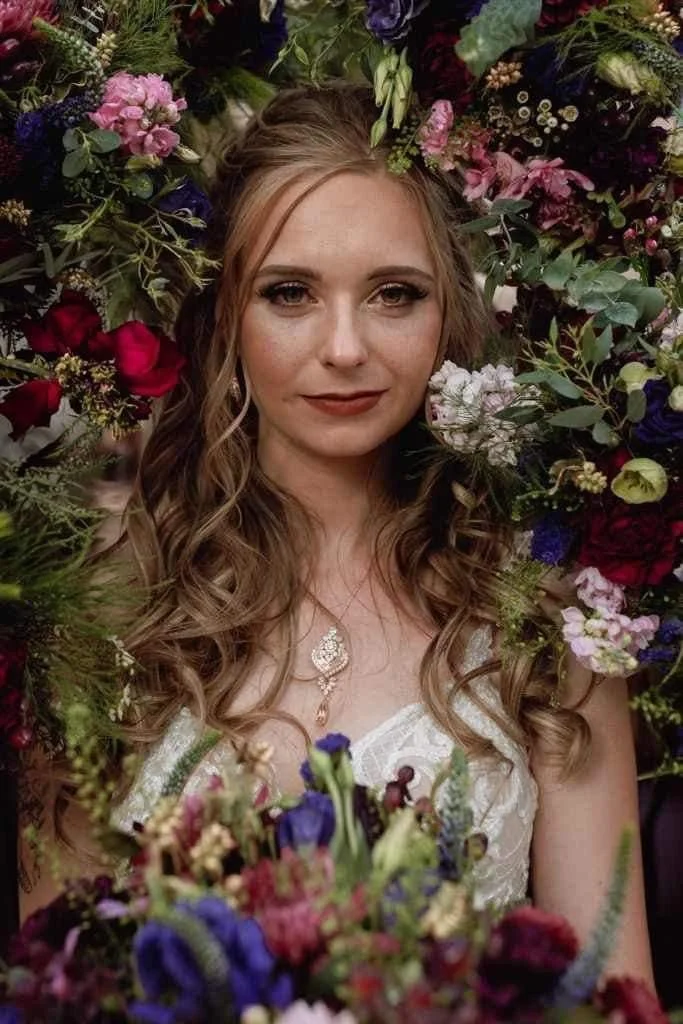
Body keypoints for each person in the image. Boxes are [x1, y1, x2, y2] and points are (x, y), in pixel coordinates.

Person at [19, 83, 654, 985]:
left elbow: (611, 997)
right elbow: (53, 986)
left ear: (449, 316)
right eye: (290, 294)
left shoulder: (550, 632)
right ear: (225, 320)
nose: (346, 346)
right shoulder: (108, 622)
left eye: (394, 294)